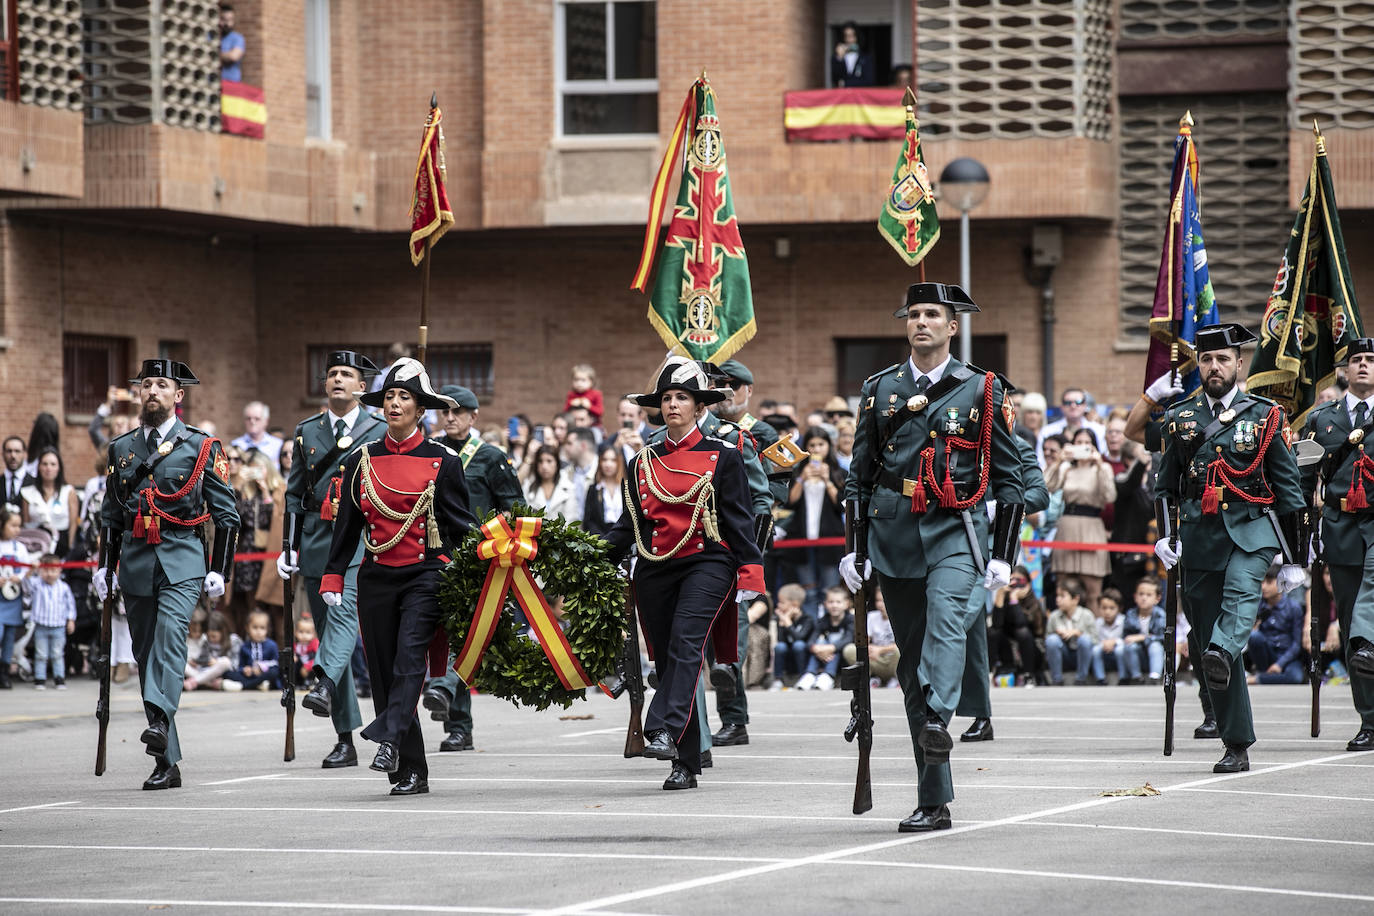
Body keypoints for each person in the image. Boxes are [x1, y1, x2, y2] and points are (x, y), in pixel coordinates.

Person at [840, 281, 1024, 832]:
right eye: (914, 314)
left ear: (952, 326)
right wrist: (855, 549)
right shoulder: (879, 390)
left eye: (932, 315)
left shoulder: (982, 389)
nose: (921, 322)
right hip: (894, 536)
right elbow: (861, 476)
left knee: (948, 625)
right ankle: (933, 799)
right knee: (913, 665)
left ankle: (942, 714)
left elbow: (1010, 479)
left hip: (954, 529)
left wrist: (1003, 553)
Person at [602, 360, 765, 790]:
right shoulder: (641, 461)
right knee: (671, 659)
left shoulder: (724, 455)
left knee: (686, 645)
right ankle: (685, 763)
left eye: (682, 398)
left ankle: (660, 726)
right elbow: (628, 524)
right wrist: (589, 554)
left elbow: (739, 519)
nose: (673, 404)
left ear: (698, 406)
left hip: (708, 562)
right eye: (667, 398)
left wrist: (750, 571)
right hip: (655, 567)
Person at [1153, 323, 1306, 773]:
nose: (1214, 366)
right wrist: (1165, 535)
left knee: (1239, 599)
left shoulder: (1264, 415)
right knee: (1209, 645)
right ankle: (1235, 742)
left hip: (1251, 529)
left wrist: (1294, 557)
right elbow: (1166, 485)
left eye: (1223, 359)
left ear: (1239, 364)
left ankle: (1221, 651)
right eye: (1206, 359)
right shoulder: (1180, 417)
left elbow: (1288, 488)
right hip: (1200, 536)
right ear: (1198, 364)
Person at [320, 358, 475, 796]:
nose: (394, 403)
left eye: (404, 396)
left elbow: (462, 524)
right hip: (376, 574)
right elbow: (347, 525)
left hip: (426, 573)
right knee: (384, 672)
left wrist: (491, 559)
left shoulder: (443, 460)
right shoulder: (361, 459)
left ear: (420, 409)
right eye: (389, 396)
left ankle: (387, 738)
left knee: (410, 660)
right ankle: (410, 770)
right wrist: (334, 575)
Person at [95, 359, 239, 790]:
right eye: (146, 385)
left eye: (162, 385)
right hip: (137, 560)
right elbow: (111, 516)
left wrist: (219, 570)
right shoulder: (121, 449)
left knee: (169, 640)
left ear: (179, 396)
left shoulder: (200, 446)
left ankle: (157, 715)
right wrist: (106, 565)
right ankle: (166, 759)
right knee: (144, 655)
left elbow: (227, 515)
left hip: (181, 557)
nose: (152, 391)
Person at [277, 350, 387, 766]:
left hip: (360, 537)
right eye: (332, 374)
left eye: (347, 375)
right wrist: (289, 545)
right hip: (319, 539)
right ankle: (345, 737)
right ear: (325, 385)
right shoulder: (307, 431)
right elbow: (294, 494)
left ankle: (321, 679)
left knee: (342, 618)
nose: (338, 379)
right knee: (329, 634)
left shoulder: (378, 429)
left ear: (362, 387)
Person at [422, 384, 522, 754]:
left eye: (457, 411)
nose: (449, 417)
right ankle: (450, 711)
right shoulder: (429, 453)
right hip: (434, 555)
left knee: (464, 636)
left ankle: (456, 718)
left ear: (473, 416)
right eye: (444, 411)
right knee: (443, 636)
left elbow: (515, 507)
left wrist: (501, 543)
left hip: (478, 558)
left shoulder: (490, 458)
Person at [1299, 337, 1374, 751]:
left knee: (1369, 608)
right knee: (1350, 627)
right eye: (1356, 360)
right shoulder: (1321, 419)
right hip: (1340, 524)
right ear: (1344, 369)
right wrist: (1304, 538)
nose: (1363, 365)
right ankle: (1370, 719)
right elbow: (1304, 481)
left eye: (1370, 360)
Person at [957, 427, 1049, 741]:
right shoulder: (958, 437)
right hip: (952, 538)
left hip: (996, 545)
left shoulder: (1015, 444)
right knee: (970, 629)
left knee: (967, 620)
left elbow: (1039, 494)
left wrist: (1000, 505)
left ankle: (949, 703)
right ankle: (979, 714)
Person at [1045, 427, 1115, 611]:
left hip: (1092, 526)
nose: (1083, 447)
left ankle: (1094, 636)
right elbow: (1047, 486)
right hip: (1067, 525)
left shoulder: (1103, 467)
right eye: (1078, 443)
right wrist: (1059, 460)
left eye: (1087, 443)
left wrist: (1099, 464)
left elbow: (1110, 496)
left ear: (1094, 446)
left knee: (1093, 592)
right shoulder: (1067, 468)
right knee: (1063, 589)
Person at [988, 565, 1046, 685]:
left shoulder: (1033, 603)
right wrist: (1000, 596)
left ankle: (1028, 675)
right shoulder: (1004, 598)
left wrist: (1015, 600)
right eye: (1012, 580)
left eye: (1020, 580)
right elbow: (997, 625)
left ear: (1028, 584)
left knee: (1023, 632)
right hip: (1008, 649)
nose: (1015, 584)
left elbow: (1021, 624)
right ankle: (988, 672)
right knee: (992, 631)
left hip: (1030, 650)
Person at [1245, 573, 1304, 685]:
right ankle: (1264, 673)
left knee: (1296, 677)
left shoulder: (1293, 607)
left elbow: (1297, 644)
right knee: (1254, 636)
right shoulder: (1257, 605)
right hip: (1267, 653)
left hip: (1287, 655)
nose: (1264, 587)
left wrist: (1280, 664)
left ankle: (1259, 679)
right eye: (1262, 582)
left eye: (1269, 582)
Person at [28, 553, 75, 689]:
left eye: (53, 570)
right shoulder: (37, 584)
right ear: (41, 571)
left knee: (57, 654)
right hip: (41, 626)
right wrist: (32, 570)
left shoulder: (64, 587)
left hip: (58, 626)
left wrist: (70, 620)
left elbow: (70, 605)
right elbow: (26, 585)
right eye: (46, 570)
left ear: (59, 570)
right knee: (41, 654)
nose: (49, 574)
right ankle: (40, 679)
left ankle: (59, 678)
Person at [20, 447, 80, 554]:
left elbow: (73, 523)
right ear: (39, 467)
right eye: (44, 464)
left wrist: (70, 548)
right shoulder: (27, 493)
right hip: (36, 545)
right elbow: (25, 524)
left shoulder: (68, 491)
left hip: (61, 546)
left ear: (59, 468)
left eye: (53, 464)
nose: (48, 468)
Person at [796, 585, 855, 690]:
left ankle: (828, 676)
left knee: (835, 647)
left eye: (838, 602)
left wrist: (830, 648)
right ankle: (810, 674)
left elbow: (849, 639)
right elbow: (811, 640)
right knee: (819, 643)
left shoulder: (850, 620)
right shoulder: (823, 621)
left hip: (842, 658)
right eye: (831, 602)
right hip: (823, 655)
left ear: (846, 604)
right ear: (825, 604)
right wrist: (816, 649)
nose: (834, 605)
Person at [0, 509, 33, 688]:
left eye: (18, 526)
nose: (16, 530)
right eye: (12, 525)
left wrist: (18, 577)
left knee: (9, 636)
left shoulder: (19, 548)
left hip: (13, 596)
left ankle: (5, 672)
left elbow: (25, 569)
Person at [1045, 577, 1097, 684]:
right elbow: (1047, 641)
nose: (1057, 599)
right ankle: (1057, 679)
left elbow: (1095, 641)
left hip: (1082, 655)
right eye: (1057, 596)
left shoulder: (1087, 615)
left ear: (1075, 599)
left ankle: (1081, 679)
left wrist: (1078, 633)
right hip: (1063, 655)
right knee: (1052, 640)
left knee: (1085, 640)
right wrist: (1058, 635)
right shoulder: (1054, 616)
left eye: (1062, 596)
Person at [1037, 387, 1106, 463]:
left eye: (1078, 402)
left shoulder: (1099, 430)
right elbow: (1041, 462)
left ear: (1085, 405)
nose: (1073, 406)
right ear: (1062, 407)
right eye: (1068, 403)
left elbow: (1104, 456)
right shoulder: (1048, 431)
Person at [768, 582, 815, 688]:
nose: (778, 605)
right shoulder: (782, 618)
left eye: (781, 602)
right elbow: (781, 640)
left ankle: (803, 677)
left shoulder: (807, 619)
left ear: (795, 605)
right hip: (788, 659)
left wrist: (788, 623)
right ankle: (778, 679)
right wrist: (781, 624)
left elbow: (799, 638)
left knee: (799, 645)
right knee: (780, 646)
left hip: (803, 657)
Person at [1123, 578, 1167, 683]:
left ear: (1157, 598)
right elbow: (1127, 636)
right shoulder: (1130, 614)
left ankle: (1155, 677)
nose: (1144, 598)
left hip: (1157, 654)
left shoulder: (1160, 615)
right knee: (1129, 646)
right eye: (1141, 594)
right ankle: (1136, 677)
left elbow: (1163, 638)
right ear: (1135, 597)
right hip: (1138, 653)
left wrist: (1144, 637)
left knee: (1155, 646)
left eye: (1148, 595)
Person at [224, 609, 281, 690]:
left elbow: (275, 663)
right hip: (250, 676)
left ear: (267, 629)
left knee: (274, 673)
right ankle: (258, 685)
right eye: (255, 627)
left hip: (264, 674)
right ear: (247, 628)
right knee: (227, 673)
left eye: (262, 628)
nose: (258, 631)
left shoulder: (272, 645)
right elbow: (240, 666)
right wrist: (245, 670)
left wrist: (261, 668)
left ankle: (244, 686)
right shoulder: (245, 646)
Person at [581, 443, 626, 539]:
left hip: (623, 539)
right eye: (605, 460)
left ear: (619, 462)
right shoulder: (594, 489)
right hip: (600, 539)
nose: (608, 464)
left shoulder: (626, 488)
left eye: (613, 460)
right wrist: (602, 539)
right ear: (600, 462)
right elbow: (588, 521)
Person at [521, 445, 578, 520]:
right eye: (540, 461)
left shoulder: (568, 487)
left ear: (557, 464)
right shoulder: (528, 487)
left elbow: (571, 520)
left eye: (549, 461)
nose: (544, 466)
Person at [1091, 588, 1134, 684]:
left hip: (1119, 652)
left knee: (1120, 649)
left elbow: (1127, 638)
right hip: (1104, 652)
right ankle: (1100, 678)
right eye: (1104, 608)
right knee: (1095, 650)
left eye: (1111, 608)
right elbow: (1094, 640)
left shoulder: (1124, 621)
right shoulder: (1097, 623)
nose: (1107, 612)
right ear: (1099, 608)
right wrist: (1104, 644)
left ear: (1119, 609)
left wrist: (1115, 642)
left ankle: (1123, 677)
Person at [233, 401, 284, 466]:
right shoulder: (235, 445)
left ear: (266, 421)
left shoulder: (278, 446)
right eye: (248, 418)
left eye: (257, 419)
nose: (252, 422)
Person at [831, 21, 875, 87]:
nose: (849, 40)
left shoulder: (866, 58)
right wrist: (840, 58)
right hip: (843, 96)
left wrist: (845, 83)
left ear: (857, 37)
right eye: (846, 36)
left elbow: (869, 81)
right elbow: (835, 79)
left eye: (852, 36)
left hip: (860, 96)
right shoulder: (837, 58)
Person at [564, 363, 605, 428]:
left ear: (591, 382)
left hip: (594, 426)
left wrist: (589, 406)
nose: (579, 383)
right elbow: (565, 412)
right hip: (574, 426)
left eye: (583, 380)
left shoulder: (596, 394)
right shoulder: (571, 395)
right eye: (576, 380)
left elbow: (600, 412)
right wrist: (571, 404)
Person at [3, 436, 31, 511]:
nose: (13, 456)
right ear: (3, 454)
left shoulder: (35, 483)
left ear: (25, 454)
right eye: (9, 451)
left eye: (17, 451)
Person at [219, 3, 245, 82]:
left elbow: (233, 56)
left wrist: (214, 55)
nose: (227, 24)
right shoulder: (211, 36)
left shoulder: (237, 38)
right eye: (223, 19)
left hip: (231, 84)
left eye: (230, 20)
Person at [294, 614, 319, 684]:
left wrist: (307, 667)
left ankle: (311, 681)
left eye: (308, 632)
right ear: (295, 632)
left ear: (314, 633)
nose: (304, 635)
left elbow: (317, 659)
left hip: (311, 668)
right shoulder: (296, 645)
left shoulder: (315, 644)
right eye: (301, 632)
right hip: (300, 668)